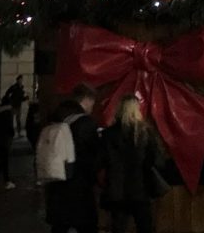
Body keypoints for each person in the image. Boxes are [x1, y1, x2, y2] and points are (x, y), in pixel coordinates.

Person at [43, 83, 100, 233]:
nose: (93, 106)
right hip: (79, 184)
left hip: (57, 179)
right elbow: (93, 154)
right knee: (88, 225)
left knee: (60, 225)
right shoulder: (86, 123)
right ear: (86, 99)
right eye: (93, 101)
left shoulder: (57, 116)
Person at [101, 94, 162, 233]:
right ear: (137, 110)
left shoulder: (108, 134)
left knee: (118, 228)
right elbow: (157, 160)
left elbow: (101, 160)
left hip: (116, 191)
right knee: (145, 227)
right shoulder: (145, 132)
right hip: (140, 188)